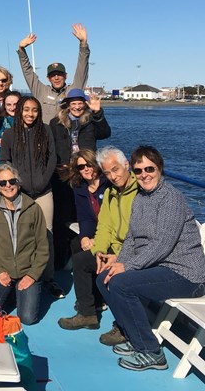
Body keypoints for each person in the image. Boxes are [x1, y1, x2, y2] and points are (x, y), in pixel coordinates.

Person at [96, 146, 205, 372]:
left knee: (122, 284)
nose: (144, 174)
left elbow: (161, 245)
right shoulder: (141, 198)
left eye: (149, 169)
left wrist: (127, 266)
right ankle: (132, 335)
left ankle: (151, 352)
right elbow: (132, 240)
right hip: (162, 268)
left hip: (187, 275)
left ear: (160, 169)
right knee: (104, 277)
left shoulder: (170, 199)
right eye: (138, 170)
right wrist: (118, 263)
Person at [58, 147, 138, 340]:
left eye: (89, 164)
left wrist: (115, 254)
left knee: (92, 263)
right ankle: (88, 312)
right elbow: (97, 222)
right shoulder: (92, 189)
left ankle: (121, 322)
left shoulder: (119, 188)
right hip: (107, 239)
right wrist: (94, 245)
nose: (86, 169)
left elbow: (136, 233)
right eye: (81, 167)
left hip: (129, 250)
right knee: (80, 253)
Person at [0, 96, 60, 298]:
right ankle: (21, 275)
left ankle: (48, 277)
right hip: (20, 193)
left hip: (44, 192)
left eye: (34, 110)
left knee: (46, 233)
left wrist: (43, 181)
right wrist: (16, 186)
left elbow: (52, 158)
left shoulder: (45, 131)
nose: (30, 114)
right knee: (20, 234)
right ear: (19, 111)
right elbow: (5, 163)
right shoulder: (9, 134)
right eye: (26, 109)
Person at [0, 163, 49, 325]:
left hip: (28, 271)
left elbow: (43, 246)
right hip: (3, 271)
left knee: (27, 318)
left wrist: (32, 275)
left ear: (18, 182)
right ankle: (12, 293)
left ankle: (18, 292)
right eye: (3, 183)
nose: (8, 186)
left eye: (12, 181)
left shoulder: (33, 209)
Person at [50, 89, 111, 270]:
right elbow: (51, 146)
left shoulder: (91, 121)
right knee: (62, 217)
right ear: (67, 104)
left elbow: (106, 133)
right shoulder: (56, 123)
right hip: (63, 175)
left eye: (80, 103)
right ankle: (62, 259)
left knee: (84, 215)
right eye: (73, 103)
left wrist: (98, 112)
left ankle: (86, 255)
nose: (77, 106)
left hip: (85, 173)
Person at [17, 24, 90, 124]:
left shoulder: (74, 90)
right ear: (48, 78)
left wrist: (83, 44)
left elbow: (82, 68)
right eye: (52, 75)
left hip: (67, 137)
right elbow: (28, 72)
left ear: (66, 76)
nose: (56, 78)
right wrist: (21, 50)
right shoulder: (41, 91)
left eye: (59, 74)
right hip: (46, 137)